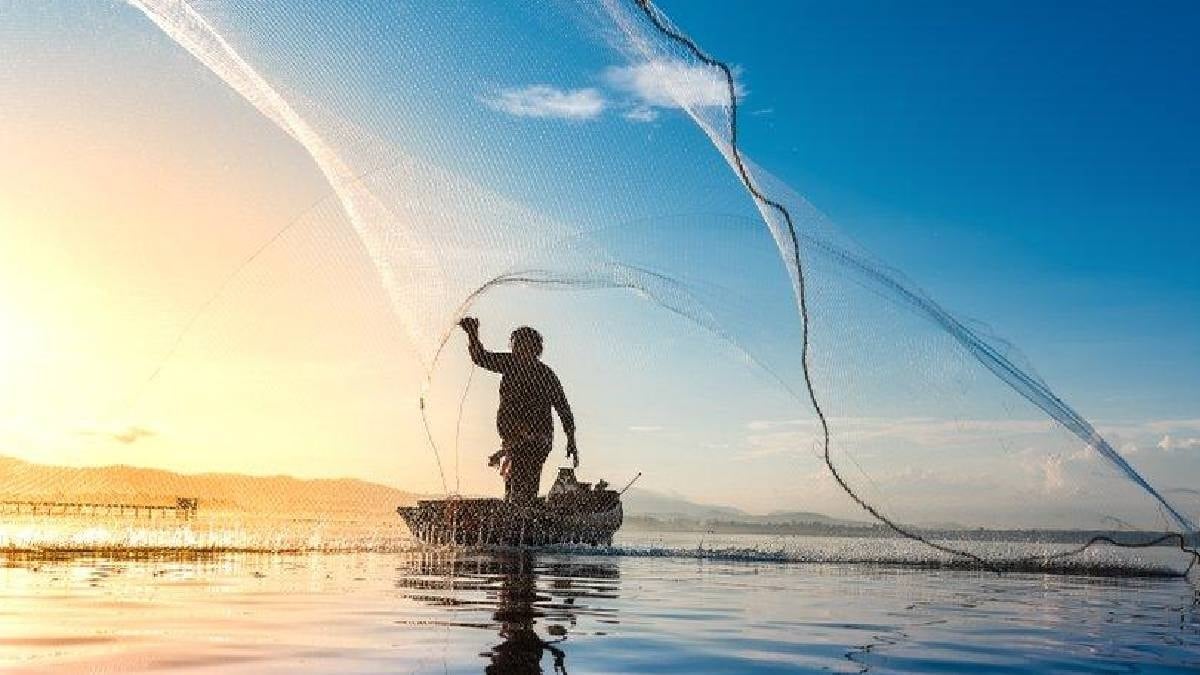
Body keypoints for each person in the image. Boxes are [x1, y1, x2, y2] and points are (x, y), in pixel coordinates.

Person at [459, 317, 577, 505]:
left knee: (524, 484)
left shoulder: (546, 374)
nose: (519, 350)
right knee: (514, 484)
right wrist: (472, 334)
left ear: (535, 349)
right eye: (516, 346)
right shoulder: (510, 363)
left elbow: (563, 407)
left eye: (524, 346)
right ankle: (518, 516)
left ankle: (523, 518)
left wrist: (571, 439)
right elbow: (480, 358)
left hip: (537, 438)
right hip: (514, 438)